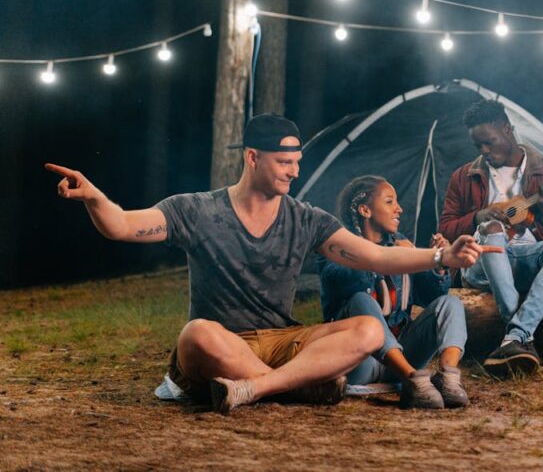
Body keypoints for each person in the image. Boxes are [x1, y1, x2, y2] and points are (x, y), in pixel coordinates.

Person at [46, 113, 480, 414]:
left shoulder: (305, 218)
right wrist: (96, 198)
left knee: (367, 329)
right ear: (253, 157)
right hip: (223, 344)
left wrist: (441, 256)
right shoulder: (196, 210)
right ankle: (300, 385)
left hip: (283, 341)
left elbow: (378, 256)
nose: (294, 172)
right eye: (284, 163)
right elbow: (122, 225)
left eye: (297, 163)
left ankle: (258, 389)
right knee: (196, 334)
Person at [439, 99, 543, 377]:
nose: (484, 151)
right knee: (493, 228)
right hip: (480, 264)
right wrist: (479, 216)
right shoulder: (463, 176)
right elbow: (447, 228)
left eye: (489, 142)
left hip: (526, 262)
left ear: (507, 130)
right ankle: (521, 333)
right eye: (478, 146)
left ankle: (514, 338)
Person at [317, 175, 469, 409]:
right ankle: (413, 380)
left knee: (450, 304)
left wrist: (437, 263)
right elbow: (342, 278)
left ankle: (448, 378)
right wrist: (386, 256)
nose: (399, 209)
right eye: (389, 202)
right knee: (360, 300)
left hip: (401, 355)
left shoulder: (400, 243)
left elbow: (429, 297)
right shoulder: (338, 245)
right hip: (360, 362)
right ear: (365, 210)